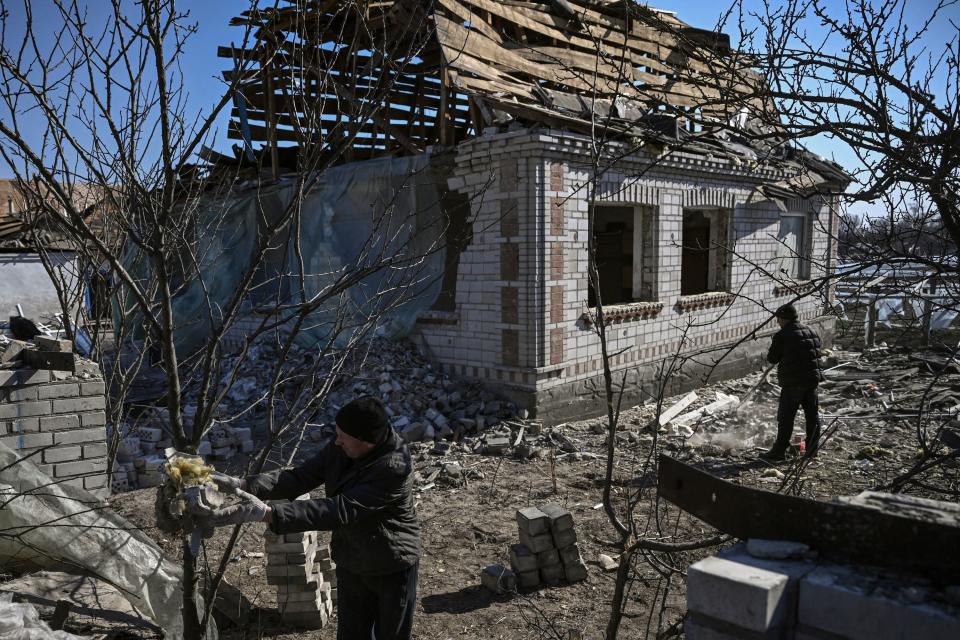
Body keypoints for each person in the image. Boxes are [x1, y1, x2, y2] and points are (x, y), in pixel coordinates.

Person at [206, 396, 420, 640]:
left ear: (366, 442)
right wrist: (243, 484)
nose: (336, 441)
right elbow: (301, 477)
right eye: (337, 433)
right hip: (353, 558)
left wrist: (267, 514)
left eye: (343, 437)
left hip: (391, 563)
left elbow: (340, 510)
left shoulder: (394, 467)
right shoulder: (343, 446)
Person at [761, 303, 824, 461]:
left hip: (794, 383)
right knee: (812, 416)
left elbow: (772, 358)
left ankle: (779, 451)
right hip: (812, 381)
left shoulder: (782, 335)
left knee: (786, 417)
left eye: (779, 319)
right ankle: (812, 450)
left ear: (785, 319)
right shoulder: (811, 330)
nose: (778, 322)